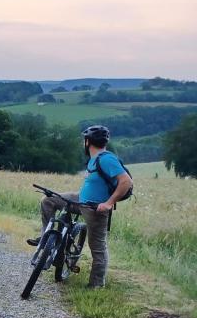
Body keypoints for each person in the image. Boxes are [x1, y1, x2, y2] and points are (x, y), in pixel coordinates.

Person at [27, 124, 132, 289]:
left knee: (97, 248)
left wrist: (108, 203)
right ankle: (47, 238)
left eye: (84, 140)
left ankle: (96, 285)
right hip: (79, 200)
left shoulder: (106, 159)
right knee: (48, 200)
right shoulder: (93, 160)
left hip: (95, 209)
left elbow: (126, 182)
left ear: (87, 141)